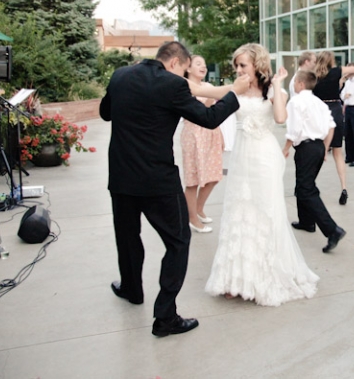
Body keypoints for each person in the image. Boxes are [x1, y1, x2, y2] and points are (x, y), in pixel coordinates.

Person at [100, 41, 246, 337]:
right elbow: (209, 118)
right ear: (176, 63)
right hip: (157, 181)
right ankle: (165, 316)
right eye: (183, 69)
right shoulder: (172, 84)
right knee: (178, 241)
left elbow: (105, 113)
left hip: (122, 177)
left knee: (127, 237)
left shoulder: (120, 76)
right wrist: (234, 95)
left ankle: (131, 288)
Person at [205, 44, 319, 306]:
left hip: (265, 159)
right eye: (236, 65)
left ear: (257, 64)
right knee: (239, 211)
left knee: (265, 213)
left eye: (243, 65)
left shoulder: (272, 90)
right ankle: (235, 279)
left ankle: (263, 277)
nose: (238, 70)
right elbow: (206, 92)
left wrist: (279, 84)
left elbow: (280, 118)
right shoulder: (237, 87)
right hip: (242, 158)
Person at [283, 70, 346, 252]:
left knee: (306, 189)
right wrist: (325, 149)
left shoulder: (295, 101)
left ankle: (332, 230)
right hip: (318, 147)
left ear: (301, 84)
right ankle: (306, 222)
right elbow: (331, 127)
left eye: (295, 82)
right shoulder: (319, 102)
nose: (294, 85)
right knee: (305, 185)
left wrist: (286, 148)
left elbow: (293, 129)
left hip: (306, 148)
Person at [180, 55, 224, 233]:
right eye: (198, 64)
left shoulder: (208, 87)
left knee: (214, 176)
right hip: (194, 134)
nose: (203, 67)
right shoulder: (183, 87)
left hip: (211, 133)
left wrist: (220, 136)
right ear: (188, 68)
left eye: (205, 64)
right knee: (193, 180)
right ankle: (191, 218)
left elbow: (214, 113)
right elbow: (202, 111)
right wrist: (210, 99)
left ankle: (197, 209)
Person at [312, 51, 354, 205]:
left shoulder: (313, 75)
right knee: (338, 152)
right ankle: (344, 187)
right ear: (330, 61)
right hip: (335, 109)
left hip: (319, 110)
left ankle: (309, 183)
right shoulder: (335, 72)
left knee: (317, 151)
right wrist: (342, 78)